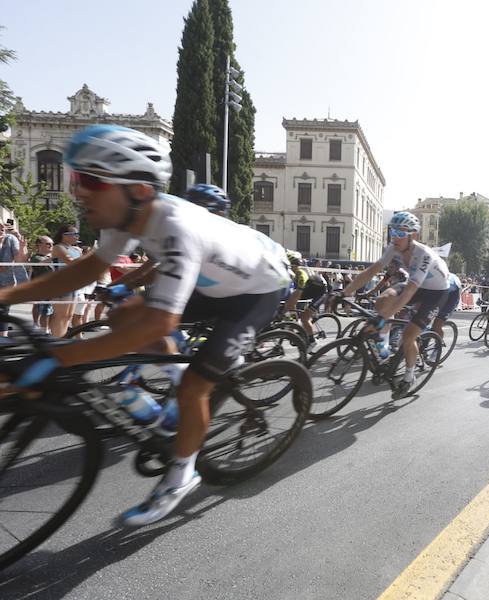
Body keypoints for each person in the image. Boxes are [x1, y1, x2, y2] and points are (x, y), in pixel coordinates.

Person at [0, 124, 292, 525]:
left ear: (137, 189)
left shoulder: (177, 227)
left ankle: (182, 474)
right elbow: (87, 269)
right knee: (122, 315)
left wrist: (61, 357)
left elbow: (159, 323)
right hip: (216, 282)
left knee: (195, 387)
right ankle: (177, 392)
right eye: (74, 179)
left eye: (88, 181)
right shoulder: (123, 218)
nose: (77, 191)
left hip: (258, 290)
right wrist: (7, 297)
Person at [341, 211, 449, 396]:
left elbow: (409, 292)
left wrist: (382, 318)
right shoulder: (394, 247)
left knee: (408, 336)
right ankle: (383, 344)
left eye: (400, 233)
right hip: (417, 284)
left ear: (412, 235)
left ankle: (409, 376)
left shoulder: (424, 255)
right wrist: (344, 293)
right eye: (393, 232)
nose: (394, 237)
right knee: (383, 299)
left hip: (436, 292)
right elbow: (371, 271)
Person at [49, 224, 83, 337]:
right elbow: (71, 262)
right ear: (64, 235)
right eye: (74, 234)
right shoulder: (58, 247)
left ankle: (62, 339)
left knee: (68, 315)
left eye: (78, 234)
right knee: (60, 315)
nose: (77, 237)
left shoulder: (76, 249)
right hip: (61, 283)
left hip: (73, 283)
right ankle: (56, 342)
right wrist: (89, 255)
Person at [28, 236, 56, 332]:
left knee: (50, 310)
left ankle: (48, 329)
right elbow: (42, 263)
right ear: (39, 245)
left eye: (52, 244)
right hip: (40, 288)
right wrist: (57, 255)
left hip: (53, 287)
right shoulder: (35, 257)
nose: (51, 246)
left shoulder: (51, 258)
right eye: (48, 244)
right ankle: (39, 327)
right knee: (43, 309)